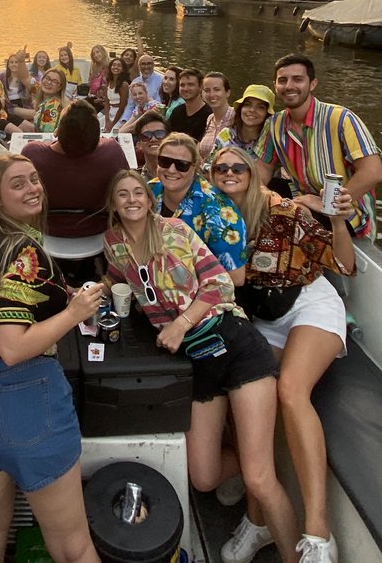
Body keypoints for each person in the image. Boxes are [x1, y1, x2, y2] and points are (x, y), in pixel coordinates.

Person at [104, 171, 299, 563]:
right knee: (204, 477)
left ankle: (289, 544)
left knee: (262, 477)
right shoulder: (114, 245)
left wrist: (178, 324)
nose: (131, 200)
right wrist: (90, 295)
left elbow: (220, 286)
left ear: (149, 198)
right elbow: (114, 280)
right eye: (122, 194)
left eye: (138, 192)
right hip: (198, 366)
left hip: (233, 343)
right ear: (113, 204)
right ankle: (247, 472)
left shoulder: (175, 230)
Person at [210, 146, 355, 563]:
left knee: (291, 389)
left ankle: (318, 534)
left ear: (254, 174)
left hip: (310, 304)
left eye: (238, 166)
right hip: (264, 318)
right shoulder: (210, 218)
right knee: (244, 391)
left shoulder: (285, 213)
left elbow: (343, 265)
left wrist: (340, 221)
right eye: (220, 168)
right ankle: (257, 522)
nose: (229, 173)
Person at [0, 156, 104, 563]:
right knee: (73, 546)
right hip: (25, 399)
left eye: (35, 180)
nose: (32, 188)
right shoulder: (25, 250)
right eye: (18, 184)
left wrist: (59, 299)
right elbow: (14, 347)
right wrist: (74, 314)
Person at [257, 54, 382, 238]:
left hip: (347, 209)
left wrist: (326, 202)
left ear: (313, 84)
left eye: (298, 79)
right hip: (304, 196)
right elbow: (261, 168)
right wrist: (266, 195)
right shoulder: (275, 123)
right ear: (275, 85)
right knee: (245, 189)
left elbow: (373, 172)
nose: (289, 86)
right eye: (283, 80)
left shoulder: (341, 119)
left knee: (294, 213)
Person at [149, 133, 246, 281]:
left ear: (195, 167)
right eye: (165, 161)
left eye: (182, 165)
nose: (171, 170)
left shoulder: (218, 212)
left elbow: (236, 278)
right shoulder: (149, 191)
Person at [22, 100, 125, 238]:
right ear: (96, 136)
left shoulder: (32, 153)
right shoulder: (112, 151)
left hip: (45, 231)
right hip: (100, 230)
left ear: (57, 131)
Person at [209, 84, 277, 161]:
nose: (252, 110)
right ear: (241, 108)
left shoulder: (270, 143)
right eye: (247, 105)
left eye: (260, 107)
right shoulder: (226, 134)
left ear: (267, 114)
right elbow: (209, 166)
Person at [167, 67, 211, 144]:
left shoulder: (209, 115)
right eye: (182, 85)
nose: (185, 89)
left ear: (201, 87)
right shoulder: (177, 111)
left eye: (190, 85)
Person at [197, 71, 235, 159]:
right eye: (207, 90)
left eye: (217, 89)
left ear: (227, 92)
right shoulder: (209, 119)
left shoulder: (236, 117)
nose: (211, 94)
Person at [0, 53, 35, 126]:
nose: (14, 64)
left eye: (16, 62)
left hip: (25, 104)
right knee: (36, 114)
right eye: (11, 62)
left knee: (36, 116)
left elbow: (33, 90)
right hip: (11, 106)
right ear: (8, 65)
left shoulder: (24, 77)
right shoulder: (2, 77)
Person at [132, 110, 170, 179]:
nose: (153, 139)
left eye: (159, 134)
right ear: (139, 144)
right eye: (146, 136)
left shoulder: (180, 174)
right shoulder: (135, 179)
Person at [101, 57, 131, 130]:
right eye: (114, 65)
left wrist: (112, 123)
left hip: (120, 114)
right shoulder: (108, 82)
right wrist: (107, 120)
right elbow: (107, 103)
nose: (116, 67)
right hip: (110, 111)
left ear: (123, 69)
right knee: (96, 125)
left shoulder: (123, 85)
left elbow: (122, 107)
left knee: (112, 132)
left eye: (119, 65)